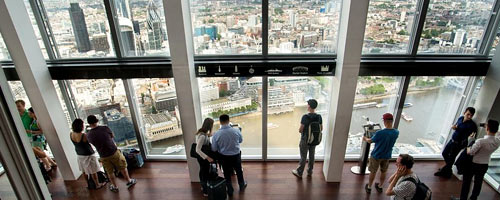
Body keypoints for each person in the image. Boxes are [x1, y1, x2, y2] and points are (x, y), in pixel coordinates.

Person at [86, 115, 136, 192]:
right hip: (113, 151)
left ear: (89, 124)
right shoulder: (105, 128)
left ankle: (115, 186)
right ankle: (129, 181)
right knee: (122, 167)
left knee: (110, 172)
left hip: (103, 155)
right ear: (97, 121)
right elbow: (112, 136)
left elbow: (91, 143)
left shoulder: (89, 135)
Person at [453, 119, 500, 200]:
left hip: (473, 164)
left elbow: (470, 152)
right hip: (484, 165)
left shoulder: (480, 141)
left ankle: (463, 199)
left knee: (466, 183)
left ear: (487, 128)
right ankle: (473, 198)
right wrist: (491, 127)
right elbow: (497, 133)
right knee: (478, 183)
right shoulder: (497, 141)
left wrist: (470, 141)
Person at [435, 107, 477, 178]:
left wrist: (471, 135)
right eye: (468, 114)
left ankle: (445, 171)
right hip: (452, 140)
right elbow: (456, 126)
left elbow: (473, 135)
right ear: (464, 113)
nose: (469, 116)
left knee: (451, 157)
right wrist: (454, 127)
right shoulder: (460, 118)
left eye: (471, 115)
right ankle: (448, 169)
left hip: (459, 144)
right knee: (444, 153)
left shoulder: (472, 125)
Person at [363, 113, 399, 193]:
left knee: (373, 171)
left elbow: (370, 141)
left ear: (385, 121)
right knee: (383, 171)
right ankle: (380, 186)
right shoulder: (396, 132)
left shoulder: (380, 133)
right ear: (392, 121)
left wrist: (365, 138)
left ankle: (369, 187)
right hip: (387, 155)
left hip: (376, 155)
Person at [211, 114, 246, 196]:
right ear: (229, 120)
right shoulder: (236, 131)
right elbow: (240, 141)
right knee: (238, 170)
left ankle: (230, 189)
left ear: (220, 121)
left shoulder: (216, 134)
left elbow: (214, 149)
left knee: (226, 173)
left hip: (224, 157)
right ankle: (241, 185)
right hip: (236, 155)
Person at [70, 119, 105, 189]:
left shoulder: (71, 134)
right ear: (81, 126)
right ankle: (97, 184)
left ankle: (88, 184)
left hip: (79, 155)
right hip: (88, 155)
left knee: (84, 171)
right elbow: (91, 142)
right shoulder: (84, 135)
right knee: (93, 171)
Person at [292, 99, 322, 178]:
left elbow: (300, 130)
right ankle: (310, 171)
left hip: (305, 139)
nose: (307, 105)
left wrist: (302, 131)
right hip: (314, 139)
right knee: (312, 155)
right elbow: (321, 128)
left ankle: (299, 172)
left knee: (303, 156)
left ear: (309, 106)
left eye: (307, 104)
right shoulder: (319, 117)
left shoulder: (305, 117)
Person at [195, 118, 215, 196]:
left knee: (203, 171)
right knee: (204, 172)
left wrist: (211, 134)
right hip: (202, 158)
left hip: (202, 157)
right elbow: (197, 149)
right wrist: (208, 158)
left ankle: (203, 187)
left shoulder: (203, 133)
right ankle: (205, 191)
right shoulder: (202, 136)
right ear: (210, 126)